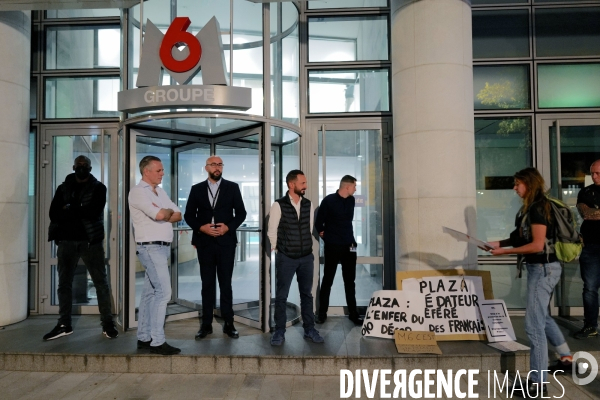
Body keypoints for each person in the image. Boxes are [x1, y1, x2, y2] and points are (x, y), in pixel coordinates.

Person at [489, 167, 572, 396]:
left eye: (518, 184)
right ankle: (563, 359)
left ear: (529, 183)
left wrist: (504, 253)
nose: (514, 188)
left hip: (543, 268)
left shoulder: (538, 208)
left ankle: (538, 384)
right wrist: (499, 244)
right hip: (540, 269)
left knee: (533, 326)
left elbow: (536, 245)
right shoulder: (529, 209)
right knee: (541, 318)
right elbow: (520, 236)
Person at [44, 155, 117, 341]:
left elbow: (93, 212)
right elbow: (54, 213)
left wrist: (69, 208)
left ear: (90, 168)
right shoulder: (63, 188)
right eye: (79, 165)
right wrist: (78, 209)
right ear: (73, 166)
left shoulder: (99, 188)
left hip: (90, 242)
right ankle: (64, 324)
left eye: (85, 165)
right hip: (66, 242)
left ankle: (107, 324)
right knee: (64, 284)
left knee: (100, 282)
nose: (82, 167)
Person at [184, 156, 247, 339]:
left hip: (226, 242)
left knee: (226, 284)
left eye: (220, 164)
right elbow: (189, 215)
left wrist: (228, 227)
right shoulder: (196, 189)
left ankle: (229, 323)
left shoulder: (232, 187)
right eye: (214, 164)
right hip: (205, 242)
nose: (217, 167)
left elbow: (241, 213)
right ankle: (206, 325)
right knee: (207, 284)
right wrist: (201, 227)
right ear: (206, 168)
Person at [129, 156, 182, 355]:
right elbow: (160, 215)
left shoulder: (160, 192)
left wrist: (165, 212)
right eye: (158, 170)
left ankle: (144, 337)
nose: (162, 174)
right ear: (146, 172)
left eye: (162, 170)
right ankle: (157, 341)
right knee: (163, 293)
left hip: (162, 248)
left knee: (150, 294)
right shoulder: (137, 192)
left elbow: (178, 214)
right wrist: (164, 213)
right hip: (150, 248)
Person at [267, 170, 324, 346]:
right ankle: (279, 331)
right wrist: (279, 251)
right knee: (282, 296)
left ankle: (309, 329)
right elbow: (272, 231)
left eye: (305, 183)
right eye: (302, 183)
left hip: (306, 258)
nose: (305, 186)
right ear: (292, 185)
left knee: (307, 294)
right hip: (287, 258)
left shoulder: (308, 204)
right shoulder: (278, 205)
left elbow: (308, 229)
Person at [315, 175, 363, 325]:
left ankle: (353, 314)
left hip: (350, 245)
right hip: (333, 245)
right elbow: (318, 223)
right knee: (328, 280)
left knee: (350, 281)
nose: (356, 189)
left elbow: (347, 223)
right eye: (355, 186)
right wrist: (327, 237)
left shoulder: (352, 200)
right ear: (347, 187)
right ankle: (322, 313)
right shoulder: (328, 201)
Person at [575, 159, 600, 339]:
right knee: (590, 287)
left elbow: (593, 213)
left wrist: (595, 211)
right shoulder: (585, 191)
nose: (594, 176)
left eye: (597, 173)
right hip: (590, 245)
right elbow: (586, 214)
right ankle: (590, 325)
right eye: (592, 173)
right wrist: (593, 212)